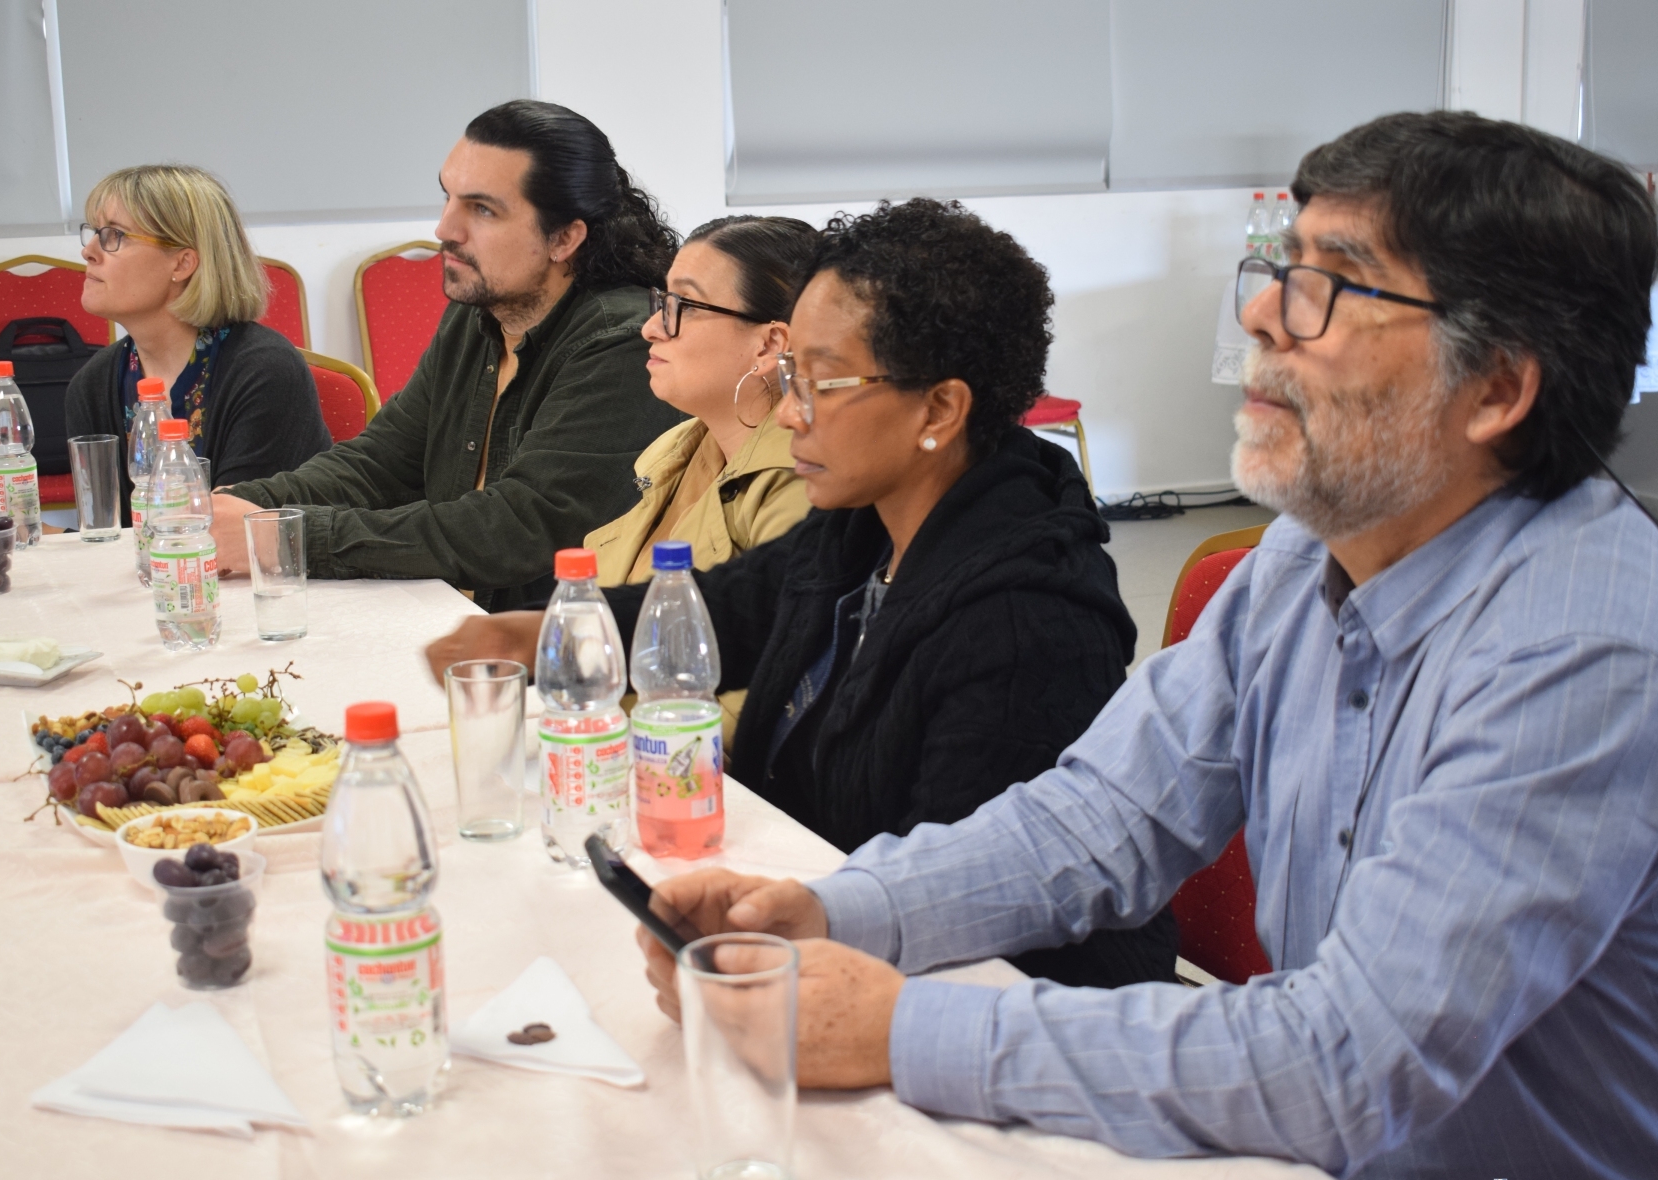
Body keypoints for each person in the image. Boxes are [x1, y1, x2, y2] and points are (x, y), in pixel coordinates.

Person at [631, 113, 1658, 1180]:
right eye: (1280, 269)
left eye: (1333, 286)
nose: (1261, 313)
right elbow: (1101, 818)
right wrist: (835, 909)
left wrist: (901, 1029)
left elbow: (1345, 1064)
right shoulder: (1306, 555)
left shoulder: (1584, 654)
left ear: (1498, 389)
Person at [428, 199, 1174, 990]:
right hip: (825, 928)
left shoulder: (1026, 624)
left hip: (989, 1005)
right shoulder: (867, 521)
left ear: (939, 409)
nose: (788, 412)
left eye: (820, 383)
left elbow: (964, 915)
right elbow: (735, 609)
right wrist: (544, 635)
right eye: (791, 377)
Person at [212, 100, 685, 610]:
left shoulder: (623, 340)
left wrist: (286, 538)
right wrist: (239, 508)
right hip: (452, 614)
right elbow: (380, 463)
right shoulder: (477, 315)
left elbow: (516, 528)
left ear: (564, 238)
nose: (444, 229)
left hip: (551, 638)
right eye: (449, 197)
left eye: (482, 210)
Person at [62, 165, 330, 521]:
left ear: (183, 263)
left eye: (115, 235)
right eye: (94, 233)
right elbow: (107, 536)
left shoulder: (265, 371)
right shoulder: (92, 384)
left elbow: (239, 533)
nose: (89, 251)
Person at [584, 215, 817, 588]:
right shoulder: (675, 452)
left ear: (769, 345)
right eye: (664, 301)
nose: (650, 328)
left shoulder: (804, 482)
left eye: (686, 306)